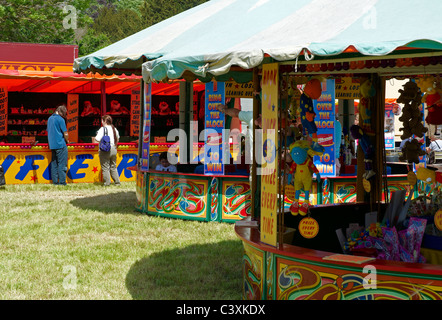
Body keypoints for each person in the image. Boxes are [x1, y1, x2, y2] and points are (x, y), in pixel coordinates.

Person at [93, 115, 121, 186]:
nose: (101, 122)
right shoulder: (114, 129)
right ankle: (117, 182)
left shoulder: (102, 129)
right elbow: (117, 139)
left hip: (105, 150)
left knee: (105, 167)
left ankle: (107, 183)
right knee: (113, 166)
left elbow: (97, 140)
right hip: (114, 149)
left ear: (105, 121)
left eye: (102, 120)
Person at [47, 104, 69, 185]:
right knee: (62, 164)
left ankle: (55, 182)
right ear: (60, 112)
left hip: (52, 145)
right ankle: (62, 182)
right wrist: (68, 141)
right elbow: (65, 133)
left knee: (54, 164)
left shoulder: (49, 119)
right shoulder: (60, 119)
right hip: (61, 144)